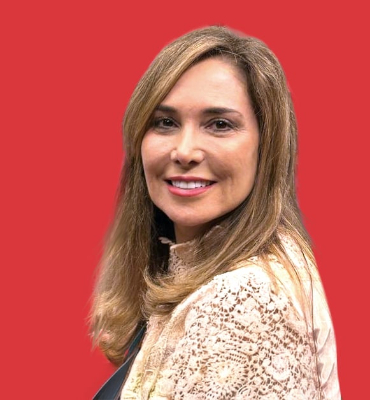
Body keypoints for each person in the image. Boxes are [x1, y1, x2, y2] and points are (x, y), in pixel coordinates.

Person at [90, 26, 341, 399]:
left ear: (266, 146)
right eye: (165, 122)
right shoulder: (203, 268)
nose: (184, 151)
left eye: (220, 124)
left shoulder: (240, 299)